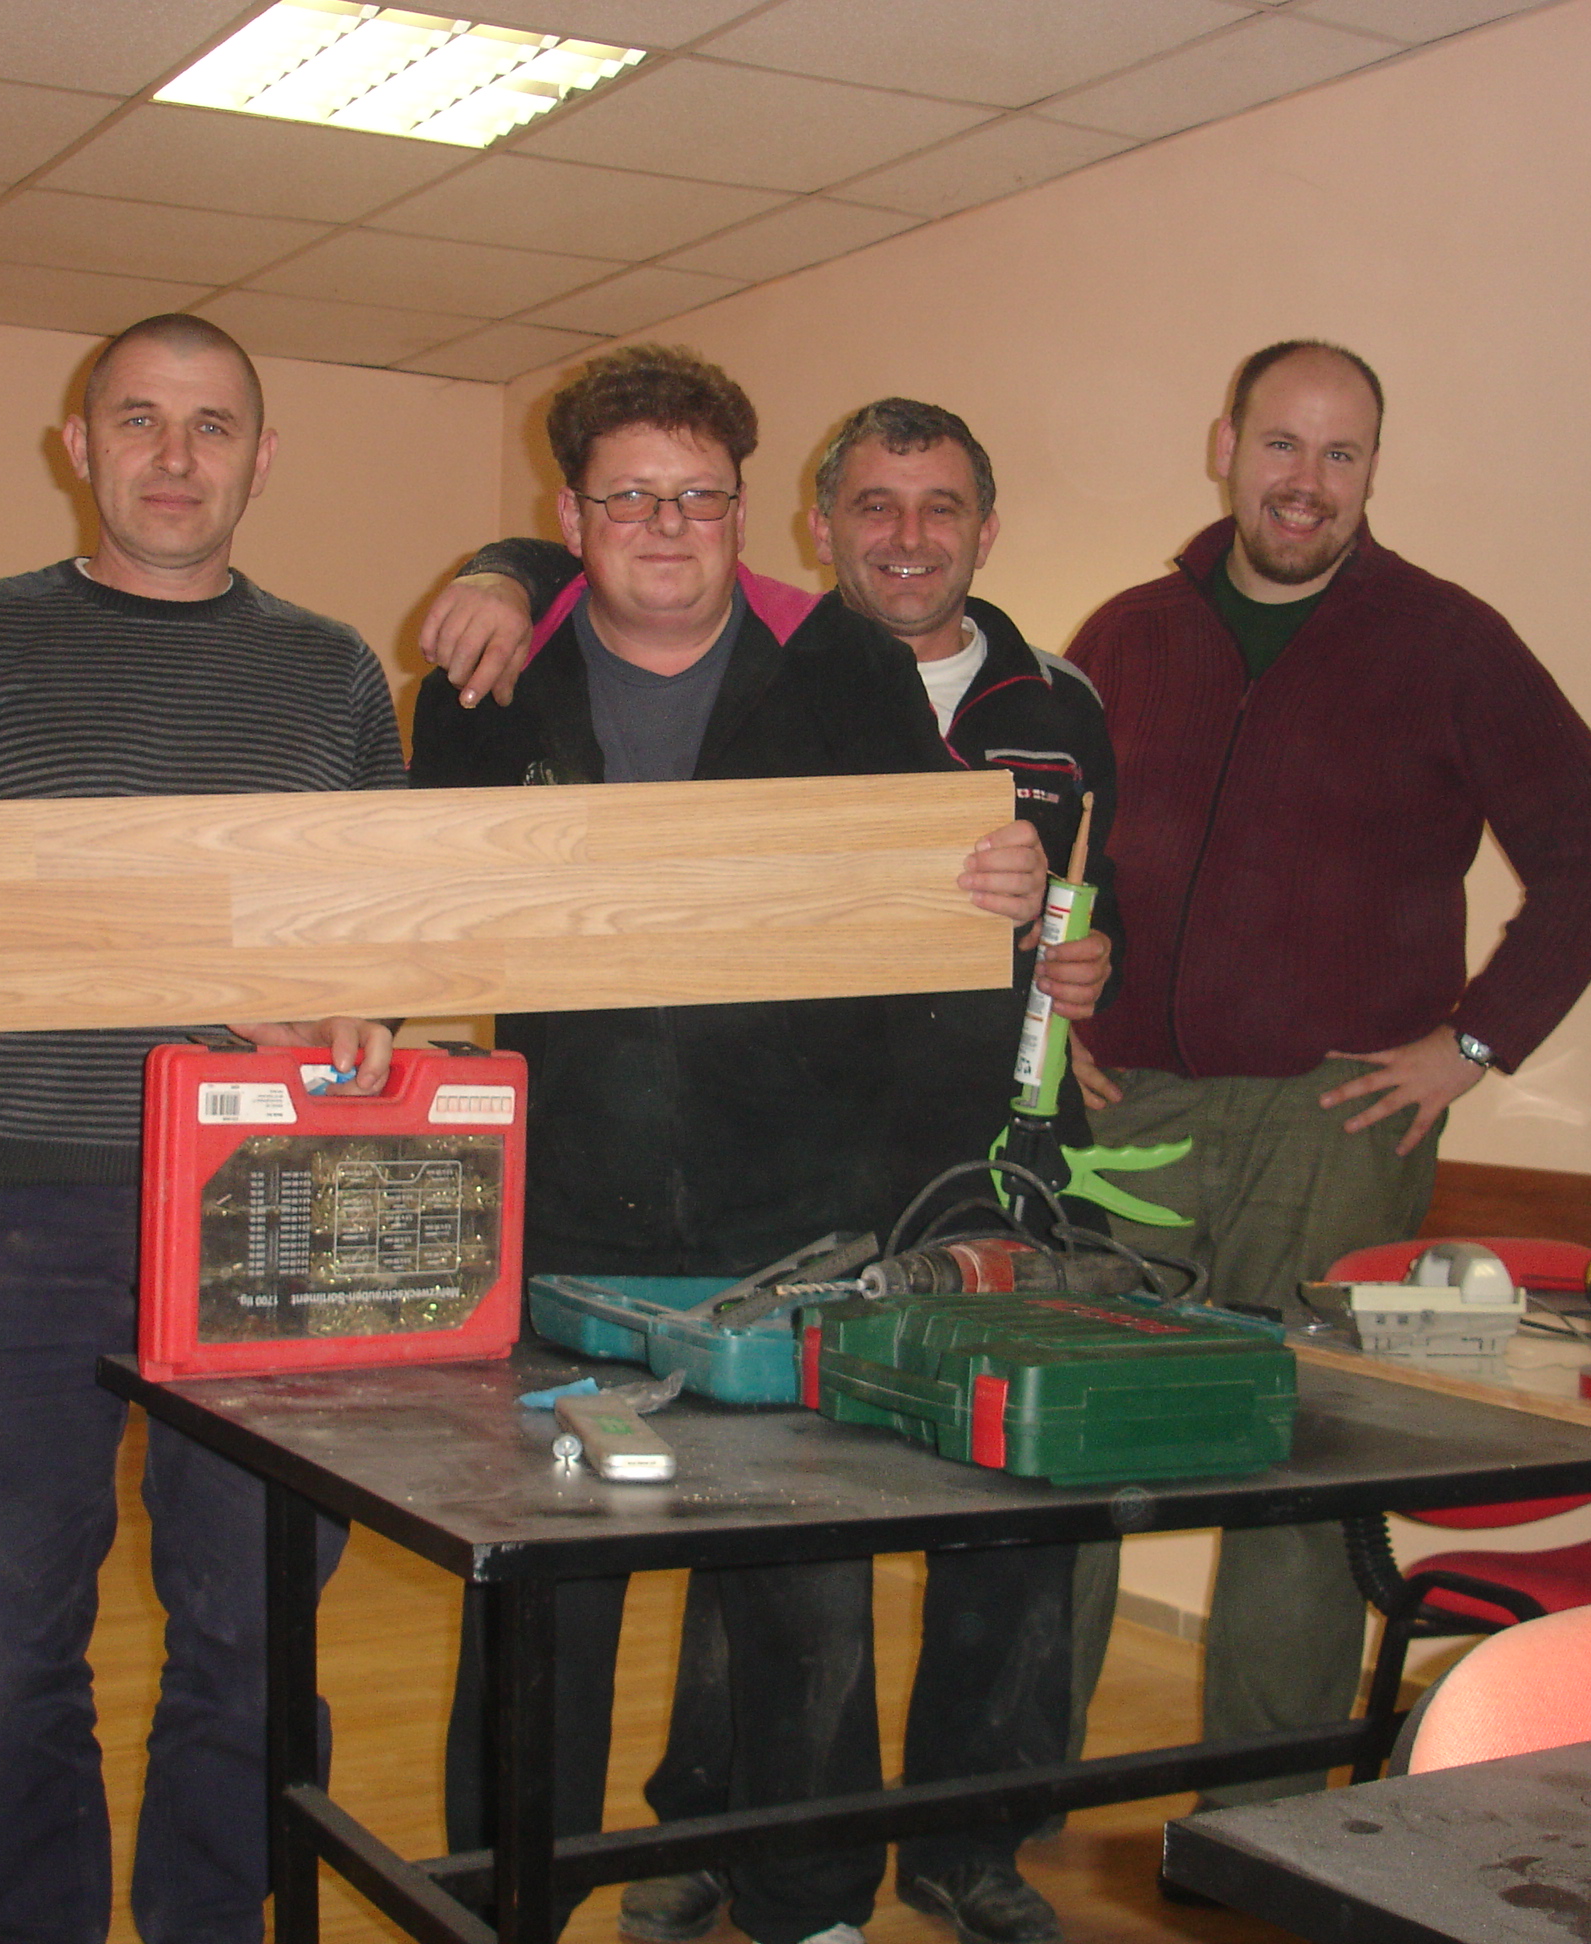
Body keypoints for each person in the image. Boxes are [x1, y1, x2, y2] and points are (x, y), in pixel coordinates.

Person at [418, 397, 1118, 1944]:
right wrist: (499, 572)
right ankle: (504, 1905)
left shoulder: (846, 669)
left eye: (697, 496)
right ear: (572, 520)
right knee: (543, 1607)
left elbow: (936, 891)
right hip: (564, 1225)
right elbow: (412, 908)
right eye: (628, 499)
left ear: (743, 513)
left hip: (797, 1230)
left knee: (805, 1601)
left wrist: (1003, 893)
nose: (665, 527)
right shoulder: (489, 679)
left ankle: (812, 1908)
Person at [0, 314, 402, 1944]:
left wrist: (356, 1014)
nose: (175, 457)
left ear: (261, 458)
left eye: (212, 425)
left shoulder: (333, 673)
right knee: (5, 1659)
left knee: (253, 1645)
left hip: (271, 1218)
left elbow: (385, 946)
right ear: (77, 444)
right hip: (13, 1224)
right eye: (140, 421)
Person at [1063, 339, 1591, 1812]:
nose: (1307, 482)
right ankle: (999, 1808)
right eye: (1283, 445)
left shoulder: (1445, 640)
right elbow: (1063, 852)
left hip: (1335, 1121)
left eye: (1343, 454)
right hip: (1125, 1110)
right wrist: (1053, 1013)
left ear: (1373, 470)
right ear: (1226, 446)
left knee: (1299, 1472)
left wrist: (1475, 1043)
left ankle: (1263, 1820)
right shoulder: (1127, 635)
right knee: (1062, 1445)